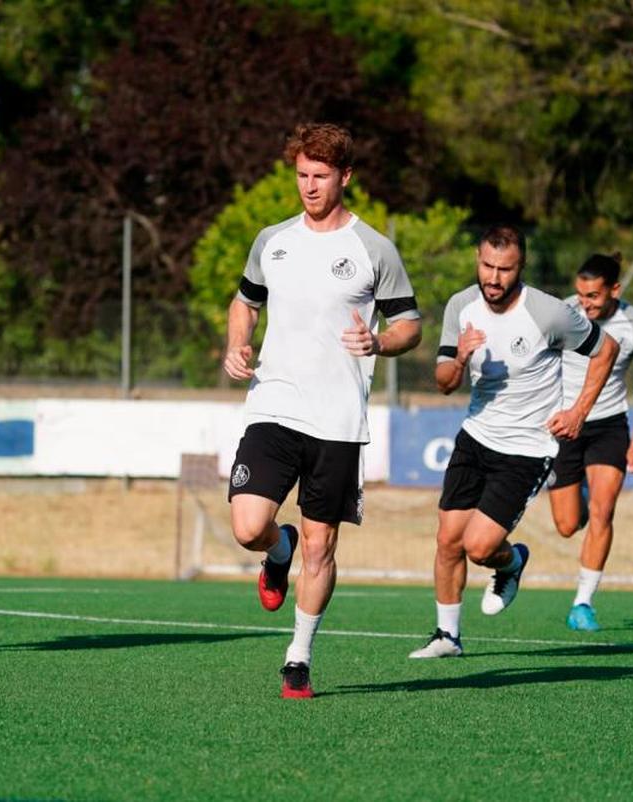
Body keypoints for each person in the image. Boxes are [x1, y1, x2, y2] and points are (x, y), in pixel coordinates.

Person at [224, 123, 421, 697]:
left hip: (337, 421)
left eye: (320, 176)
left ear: (345, 177)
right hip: (274, 406)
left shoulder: (373, 249)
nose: (309, 187)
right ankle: (274, 550)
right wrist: (236, 343)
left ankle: (298, 656)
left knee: (322, 546)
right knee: (248, 526)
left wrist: (379, 343)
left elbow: (409, 324)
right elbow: (245, 302)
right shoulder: (272, 240)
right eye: (302, 176)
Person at [409, 224, 618, 659]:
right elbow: (445, 381)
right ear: (478, 261)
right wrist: (461, 357)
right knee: (448, 539)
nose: (494, 277)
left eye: (504, 269)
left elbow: (607, 350)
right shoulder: (460, 307)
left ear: (520, 268)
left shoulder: (548, 313)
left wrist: (578, 411)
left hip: (527, 448)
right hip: (476, 435)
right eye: (487, 266)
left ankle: (513, 562)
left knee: (480, 546)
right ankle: (447, 636)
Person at [547, 253, 633, 631]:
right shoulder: (563, 312)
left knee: (603, 510)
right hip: (564, 426)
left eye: (593, 296)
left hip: (609, 425)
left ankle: (583, 603)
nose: (585, 303)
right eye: (580, 294)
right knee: (566, 524)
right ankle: (578, 495)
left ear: (615, 289)